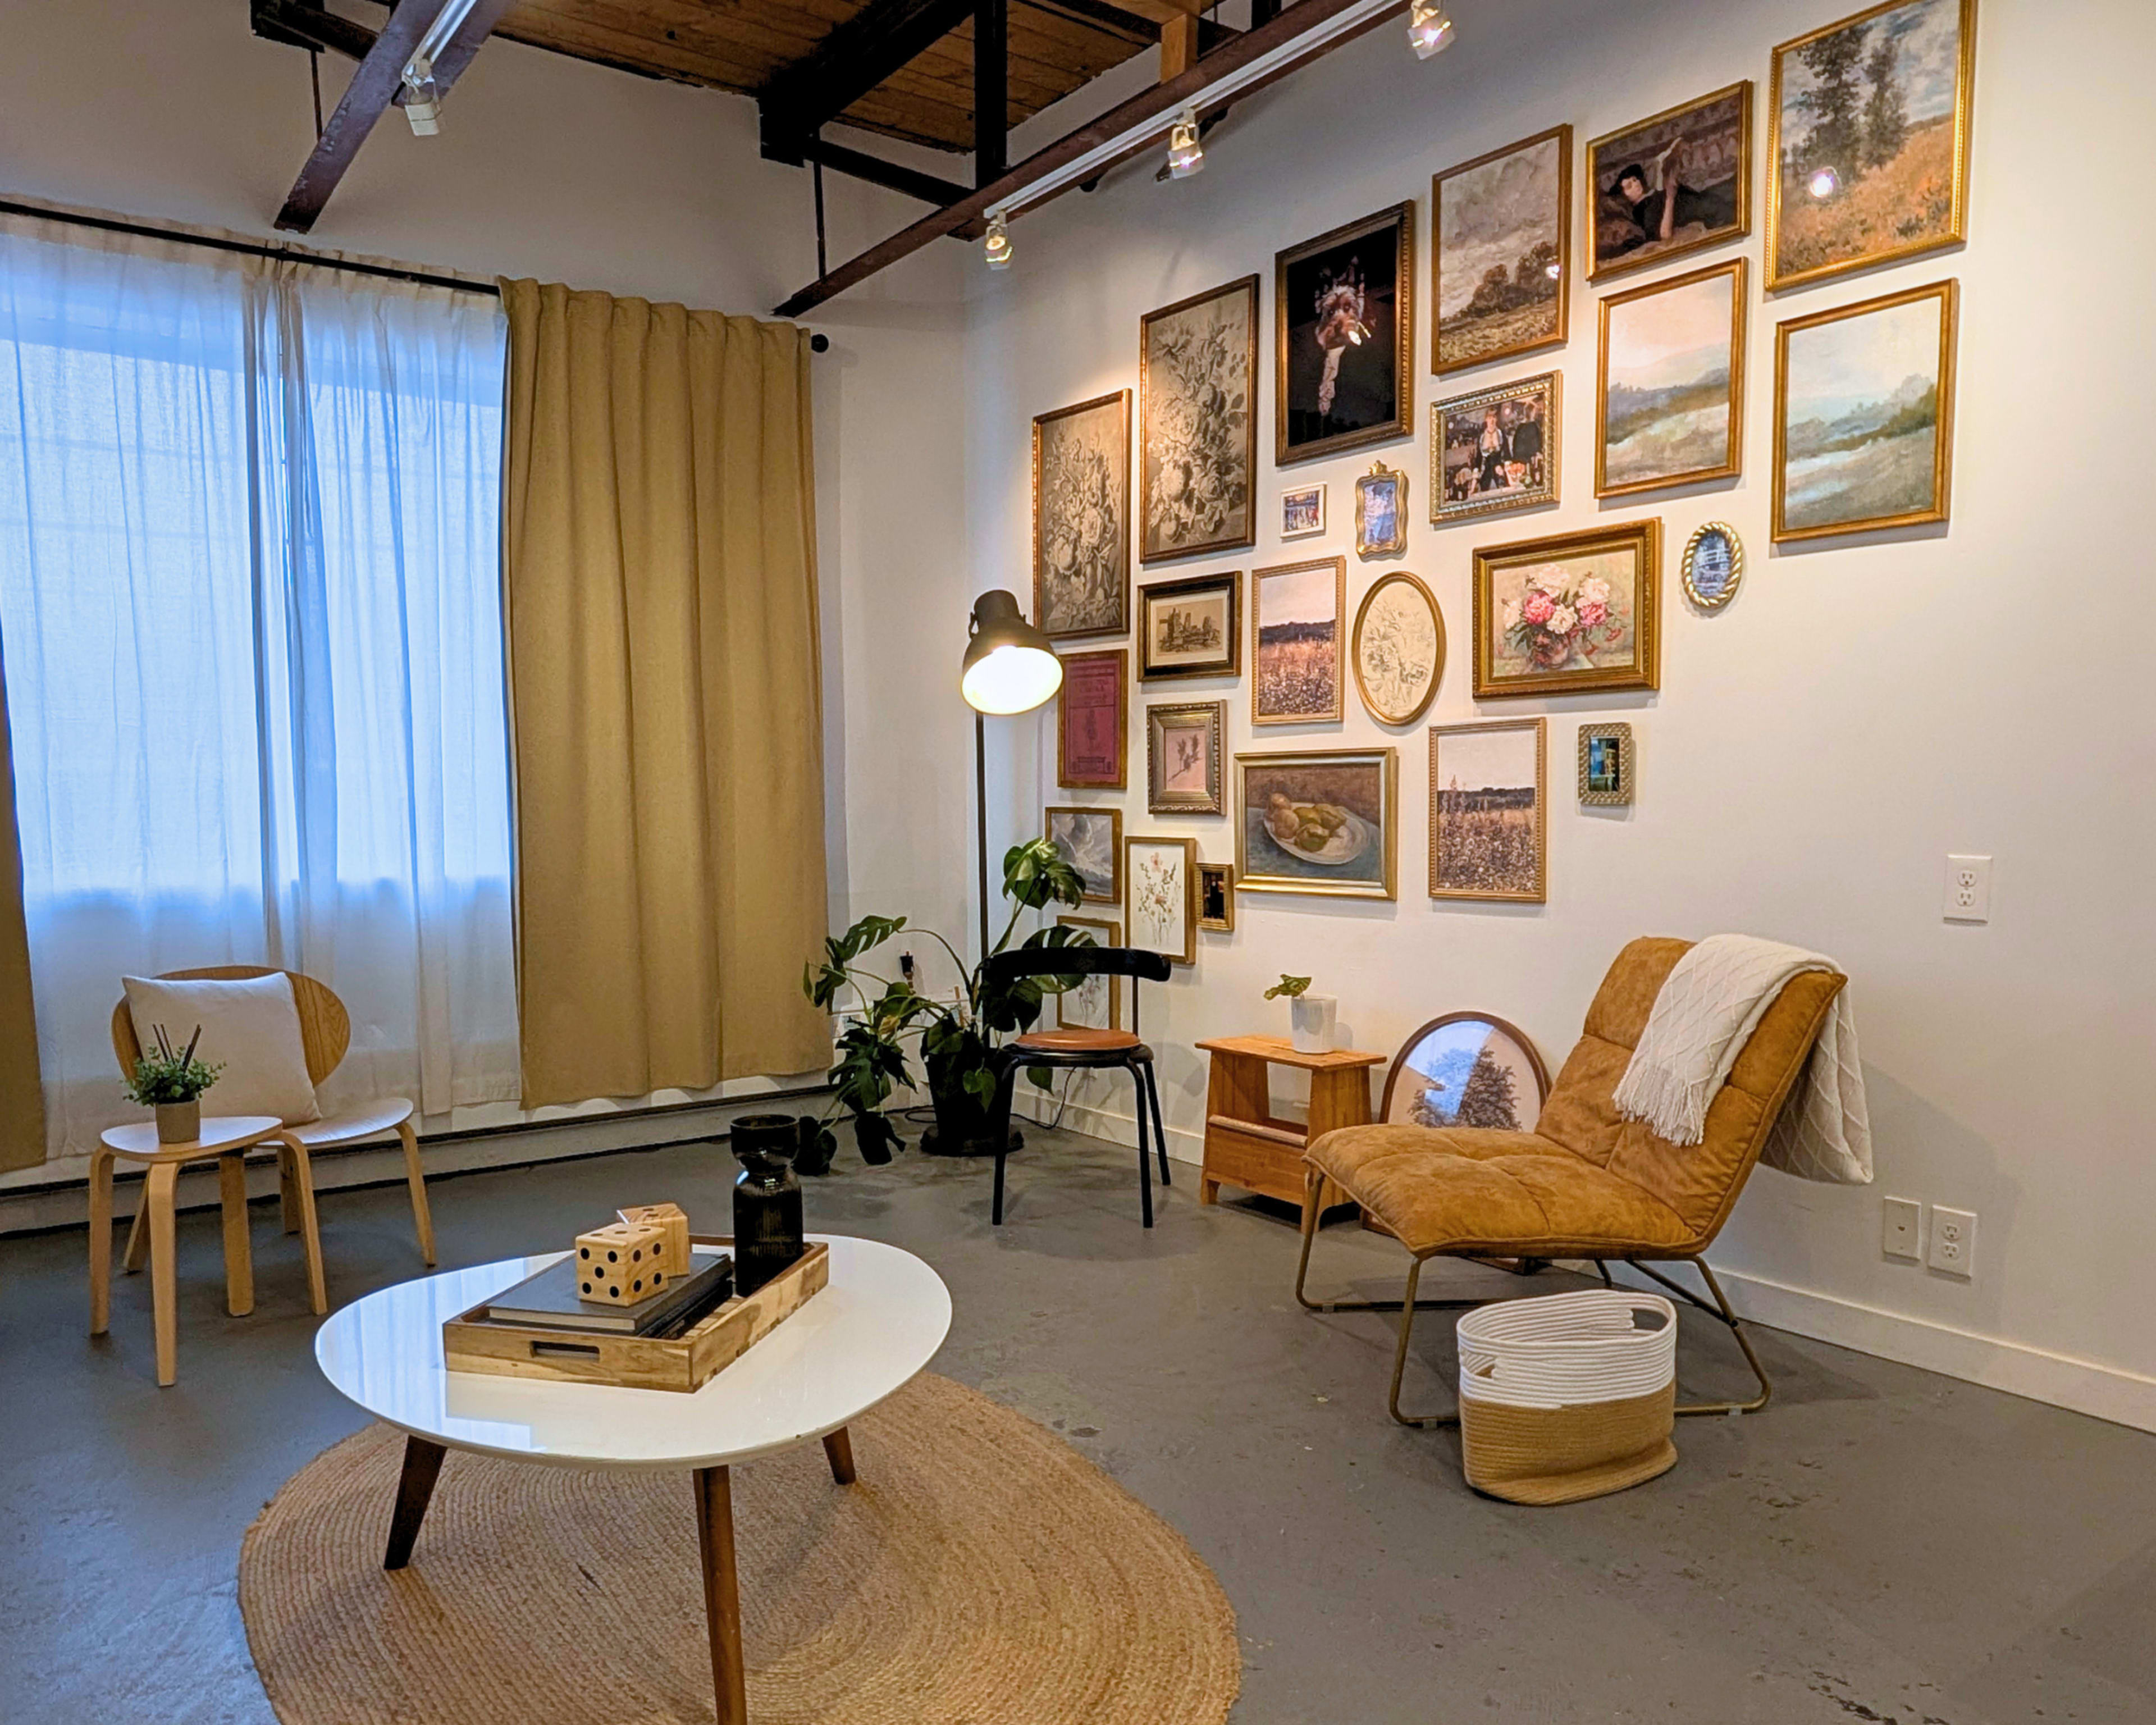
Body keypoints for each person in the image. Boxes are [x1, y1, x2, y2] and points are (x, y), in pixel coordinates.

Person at [1609, 137, 1738, 255]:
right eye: (1629, 186)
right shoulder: (1643, 211)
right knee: (1728, 207)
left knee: (1734, 185)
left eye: (1635, 180)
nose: (1636, 184)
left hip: (1697, 198)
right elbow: (1664, 234)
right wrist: (1670, 197)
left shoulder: (1651, 197)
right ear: (1625, 197)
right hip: (1698, 209)